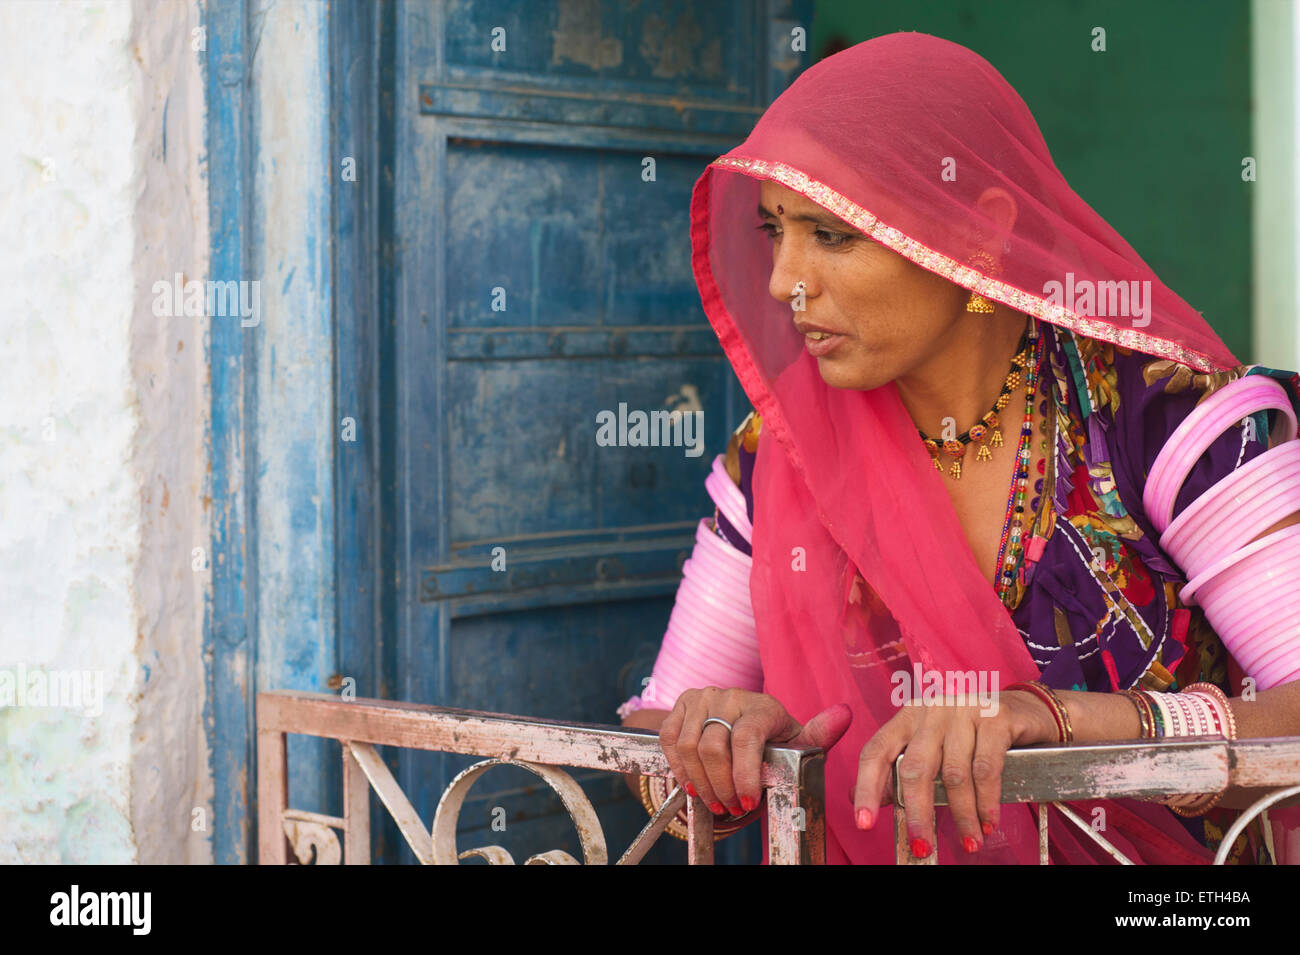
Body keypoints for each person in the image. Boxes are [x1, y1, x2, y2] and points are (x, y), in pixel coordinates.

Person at [620, 32, 1300, 864]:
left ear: (977, 230)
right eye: (774, 231)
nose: (782, 282)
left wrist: (1055, 722)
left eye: (833, 235)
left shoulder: (1165, 417)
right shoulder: (781, 450)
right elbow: (655, 753)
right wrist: (714, 750)